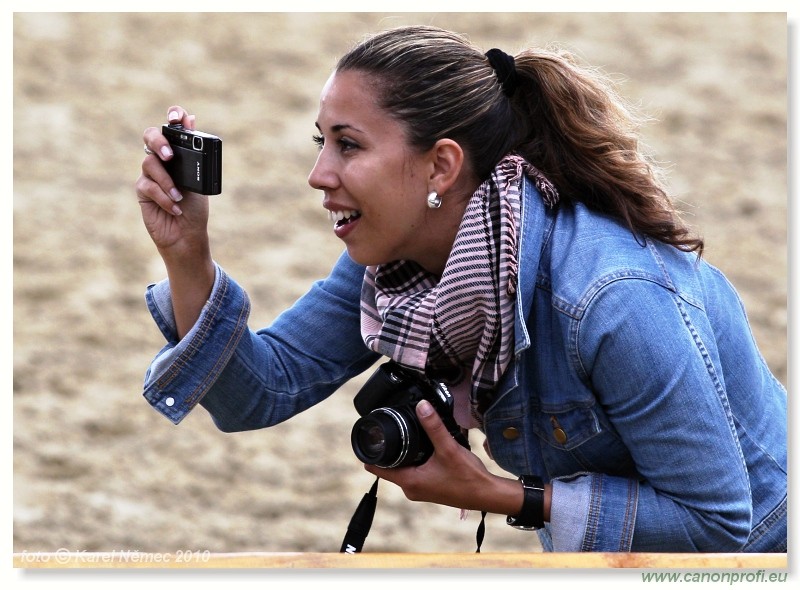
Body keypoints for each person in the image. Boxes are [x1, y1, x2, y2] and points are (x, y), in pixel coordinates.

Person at [135, 25, 787, 553]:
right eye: (321, 142)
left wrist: (495, 494)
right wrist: (188, 255)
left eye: (348, 145)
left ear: (441, 166)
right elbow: (260, 393)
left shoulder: (611, 298)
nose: (318, 174)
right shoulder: (393, 263)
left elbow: (716, 525)